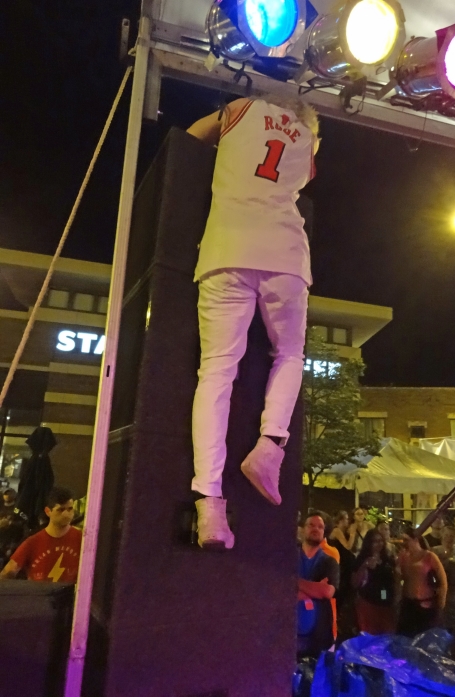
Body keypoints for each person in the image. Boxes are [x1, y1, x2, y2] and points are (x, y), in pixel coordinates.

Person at [186, 95, 320, 550]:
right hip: (285, 252)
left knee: (217, 371)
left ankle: (209, 501)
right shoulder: (306, 141)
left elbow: (191, 137)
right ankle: (270, 447)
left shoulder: (240, 107)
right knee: (289, 354)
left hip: (227, 246)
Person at [0, 487, 81, 582]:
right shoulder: (33, 542)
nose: (66, 514)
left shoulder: (82, 539)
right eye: (60, 510)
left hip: (74, 596)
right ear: (48, 511)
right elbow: (7, 573)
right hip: (40, 595)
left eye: (70, 509)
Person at [297, 513, 339, 658]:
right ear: (302, 529)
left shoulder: (329, 562)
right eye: (311, 525)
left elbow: (327, 592)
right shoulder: (289, 557)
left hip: (319, 638)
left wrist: (294, 582)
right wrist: (314, 588)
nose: (316, 529)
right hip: (286, 636)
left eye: (320, 527)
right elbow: (279, 589)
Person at [397, 529, 447, 637]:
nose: (404, 543)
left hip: (426, 604)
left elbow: (443, 581)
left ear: (416, 540)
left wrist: (441, 604)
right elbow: (401, 578)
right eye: (403, 540)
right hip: (408, 603)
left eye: (407, 540)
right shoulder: (404, 557)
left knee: (424, 636)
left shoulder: (429, 556)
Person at [352, 529, 399, 635]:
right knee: (370, 635)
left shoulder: (388, 558)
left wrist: (396, 598)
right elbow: (355, 583)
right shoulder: (362, 559)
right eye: (375, 541)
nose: (379, 544)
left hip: (387, 602)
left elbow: (395, 579)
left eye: (380, 541)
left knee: (387, 634)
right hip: (369, 602)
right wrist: (365, 566)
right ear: (369, 543)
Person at [433, 525, 455, 632]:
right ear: (442, 535)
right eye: (446, 535)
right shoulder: (435, 552)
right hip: (439, 594)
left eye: (451, 536)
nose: (448, 538)